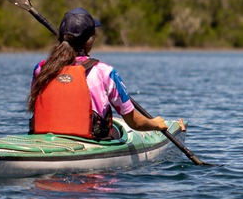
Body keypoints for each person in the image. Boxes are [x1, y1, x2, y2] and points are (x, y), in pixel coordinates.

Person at [27, 7, 182, 139]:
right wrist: (155, 124)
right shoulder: (104, 72)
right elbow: (134, 122)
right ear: (91, 39)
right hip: (89, 143)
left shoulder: (41, 68)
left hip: (45, 137)